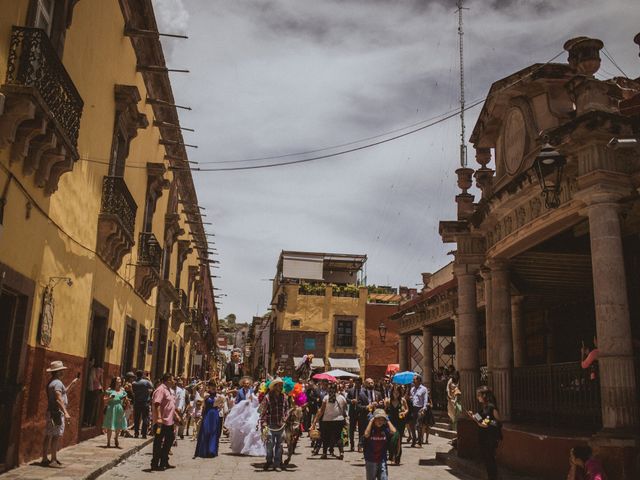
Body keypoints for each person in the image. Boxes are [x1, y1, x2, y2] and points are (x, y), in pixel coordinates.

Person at [41, 361, 78, 467]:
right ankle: (53, 460)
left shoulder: (52, 382)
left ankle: (45, 458)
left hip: (51, 412)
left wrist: (72, 384)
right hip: (56, 413)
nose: (63, 372)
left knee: (48, 435)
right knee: (55, 436)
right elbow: (58, 399)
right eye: (61, 370)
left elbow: (63, 392)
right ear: (57, 372)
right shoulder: (57, 383)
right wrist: (65, 412)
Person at [466, 385, 502, 480]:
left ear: (484, 395)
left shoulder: (491, 407)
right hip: (484, 437)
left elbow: (495, 422)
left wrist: (484, 423)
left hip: (490, 437)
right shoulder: (484, 408)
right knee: (487, 459)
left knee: (490, 460)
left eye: (479, 395)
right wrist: (472, 416)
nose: (477, 398)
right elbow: (480, 418)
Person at [151, 373, 180, 471]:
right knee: (158, 442)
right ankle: (155, 464)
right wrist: (159, 417)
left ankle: (164, 461)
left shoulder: (168, 390)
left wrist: (176, 416)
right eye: (172, 379)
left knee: (169, 440)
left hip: (169, 422)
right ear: (168, 380)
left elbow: (170, 405)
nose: (174, 381)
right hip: (161, 422)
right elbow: (157, 404)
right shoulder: (160, 390)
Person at [312, 382, 348, 460]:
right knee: (338, 437)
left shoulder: (326, 398)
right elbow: (344, 409)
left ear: (329, 389)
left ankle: (324, 453)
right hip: (339, 419)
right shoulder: (342, 397)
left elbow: (322, 410)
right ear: (337, 389)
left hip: (327, 420)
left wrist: (315, 421)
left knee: (325, 437)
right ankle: (341, 453)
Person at [260, 377, 289, 471]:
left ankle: (277, 463)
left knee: (280, 445)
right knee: (269, 444)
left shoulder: (284, 397)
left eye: (282, 385)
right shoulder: (267, 397)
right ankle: (269, 460)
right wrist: (263, 422)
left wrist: (285, 418)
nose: (281, 387)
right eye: (279, 385)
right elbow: (262, 410)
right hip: (270, 424)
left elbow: (286, 410)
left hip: (281, 424)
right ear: (275, 386)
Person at [363, 409, 397, 480]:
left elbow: (394, 431)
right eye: (378, 419)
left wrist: (387, 420)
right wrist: (371, 421)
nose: (380, 421)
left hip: (382, 459)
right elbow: (366, 435)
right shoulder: (371, 429)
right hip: (370, 459)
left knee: (383, 478)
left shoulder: (385, 429)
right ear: (374, 419)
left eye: (382, 419)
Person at [193, 380, 221, 458]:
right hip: (207, 414)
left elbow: (220, 404)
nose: (214, 388)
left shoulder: (218, 396)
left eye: (215, 386)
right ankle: (203, 451)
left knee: (213, 432)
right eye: (212, 386)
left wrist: (220, 404)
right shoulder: (206, 395)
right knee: (206, 431)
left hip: (215, 414)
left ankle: (212, 451)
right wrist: (204, 386)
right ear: (209, 387)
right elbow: (201, 396)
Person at [385, 384, 408, 465]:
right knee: (391, 439)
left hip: (400, 422)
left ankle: (397, 458)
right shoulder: (388, 401)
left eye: (397, 392)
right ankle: (391, 456)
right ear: (392, 392)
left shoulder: (402, 400)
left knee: (398, 440)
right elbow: (385, 411)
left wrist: (404, 412)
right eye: (394, 392)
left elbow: (407, 409)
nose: (396, 394)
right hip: (391, 422)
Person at [102, 376, 128, 448]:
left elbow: (126, 400)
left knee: (118, 425)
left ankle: (116, 438)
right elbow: (104, 399)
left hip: (119, 408)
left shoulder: (122, 391)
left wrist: (126, 405)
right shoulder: (110, 390)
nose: (120, 380)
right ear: (115, 381)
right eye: (118, 379)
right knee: (110, 426)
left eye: (120, 379)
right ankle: (108, 442)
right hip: (111, 408)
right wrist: (110, 398)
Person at [346, 377, 369, 452]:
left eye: (358, 383)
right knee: (351, 429)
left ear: (361, 383)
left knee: (361, 430)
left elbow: (366, 401)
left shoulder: (364, 391)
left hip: (361, 412)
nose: (357, 384)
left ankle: (360, 445)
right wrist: (351, 401)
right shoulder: (350, 391)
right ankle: (352, 444)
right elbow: (347, 399)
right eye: (356, 383)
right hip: (353, 412)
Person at [408, 374, 429, 447]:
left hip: (420, 409)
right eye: (413, 379)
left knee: (418, 425)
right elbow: (411, 398)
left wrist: (424, 409)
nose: (413, 381)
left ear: (419, 380)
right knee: (411, 424)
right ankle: (414, 439)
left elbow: (425, 400)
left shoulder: (424, 389)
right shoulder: (412, 389)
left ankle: (419, 442)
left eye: (414, 379)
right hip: (413, 409)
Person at [132, 370, 153, 438]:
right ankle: (144, 434)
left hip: (137, 402)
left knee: (137, 418)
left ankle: (136, 433)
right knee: (145, 418)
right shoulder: (146, 382)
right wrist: (149, 379)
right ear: (142, 375)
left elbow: (134, 391)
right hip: (145, 403)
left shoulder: (134, 383)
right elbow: (152, 387)